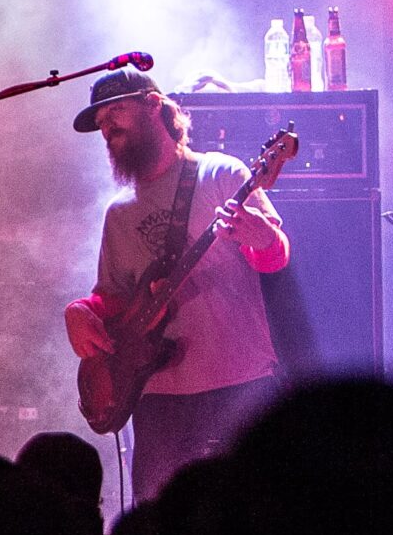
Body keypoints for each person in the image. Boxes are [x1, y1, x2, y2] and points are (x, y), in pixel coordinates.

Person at [63, 67, 290, 501]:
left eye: (116, 114)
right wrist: (79, 311)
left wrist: (261, 237)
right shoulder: (119, 212)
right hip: (158, 393)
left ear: (154, 107)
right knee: (160, 523)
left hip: (236, 383)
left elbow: (276, 257)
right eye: (101, 124)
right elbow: (112, 296)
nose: (106, 128)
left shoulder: (222, 174)